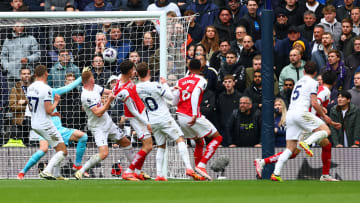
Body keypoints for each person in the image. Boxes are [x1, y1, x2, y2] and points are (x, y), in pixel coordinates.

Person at [255, 70, 341, 181]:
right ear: (335, 82)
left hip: (305, 120)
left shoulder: (316, 87)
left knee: (324, 145)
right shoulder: (325, 91)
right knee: (294, 151)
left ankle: (264, 163)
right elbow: (316, 102)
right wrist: (322, 113)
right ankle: (264, 162)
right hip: (308, 122)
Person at [17, 70, 89, 180]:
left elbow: (35, 109)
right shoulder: (50, 91)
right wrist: (81, 78)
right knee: (60, 149)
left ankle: (25, 173)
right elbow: (68, 88)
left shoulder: (32, 92)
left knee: (48, 149)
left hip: (44, 126)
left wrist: (51, 113)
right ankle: (50, 171)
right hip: (49, 126)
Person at [135, 62, 201, 181]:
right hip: (164, 118)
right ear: (149, 72)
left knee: (161, 145)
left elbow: (156, 95)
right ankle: (189, 168)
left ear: (137, 74)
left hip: (153, 120)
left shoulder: (137, 88)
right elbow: (169, 97)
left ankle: (159, 174)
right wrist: (165, 84)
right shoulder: (156, 85)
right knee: (180, 138)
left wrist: (169, 88)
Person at [75, 69, 137, 180]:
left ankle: (137, 170)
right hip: (98, 127)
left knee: (126, 143)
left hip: (108, 123)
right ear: (90, 80)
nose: (94, 79)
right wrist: (109, 101)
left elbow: (109, 92)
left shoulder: (95, 87)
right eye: (92, 78)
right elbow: (98, 113)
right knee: (104, 154)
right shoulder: (86, 95)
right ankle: (81, 171)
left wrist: (120, 91)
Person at [172, 59, 223, 180]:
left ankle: (197, 174)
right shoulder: (201, 80)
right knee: (217, 137)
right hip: (192, 115)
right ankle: (202, 165)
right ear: (201, 69)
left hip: (180, 116)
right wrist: (194, 114)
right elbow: (195, 94)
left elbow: (174, 101)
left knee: (199, 142)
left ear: (188, 69)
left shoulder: (180, 81)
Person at [112, 60, 153, 181]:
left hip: (141, 114)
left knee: (147, 145)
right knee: (148, 145)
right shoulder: (123, 90)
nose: (135, 72)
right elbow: (133, 111)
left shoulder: (121, 80)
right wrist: (147, 122)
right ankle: (129, 171)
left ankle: (138, 172)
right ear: (130, 71)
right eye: (134, 70)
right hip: (136, 117)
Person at [25, 65, 67, 180]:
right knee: (63, 150)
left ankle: (57, 174)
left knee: (58, 147)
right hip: (45, 124)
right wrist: (56, 102)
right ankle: (47, 171)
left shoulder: (30, 87)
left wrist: (51, 114)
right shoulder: (46, 88)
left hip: (35, 123)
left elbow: (31, 106)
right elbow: (49, 109)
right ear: (46, 74)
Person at [0, 21, 40, 87]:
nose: (20, 28)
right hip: (12, 76)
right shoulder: (7, 40)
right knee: (13, 96)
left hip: (28, 75)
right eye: (18, 26)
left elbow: (37, 54)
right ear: (13, 27)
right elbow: (3, 56)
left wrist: (28, 59)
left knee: (29, 96)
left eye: (22, 26)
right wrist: (7, 67)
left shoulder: (31, 39)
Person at [216, 75, 242, 146]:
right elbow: (218, 113)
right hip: (223, 129)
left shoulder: (239, 97)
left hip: (236, 130)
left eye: (229, 82)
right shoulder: (220, 97)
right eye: (225, 82)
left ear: (234, 83)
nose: (227, 84)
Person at [9, 67, 31, 145]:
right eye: (24, 74)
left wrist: (25, 101)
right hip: (21, 118)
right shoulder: (15, 89)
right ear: (20, 75)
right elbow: (13, 107)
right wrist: (28, 106)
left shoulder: (35, 88)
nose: (26, 75)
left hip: (35, 118)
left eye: (28, 74)